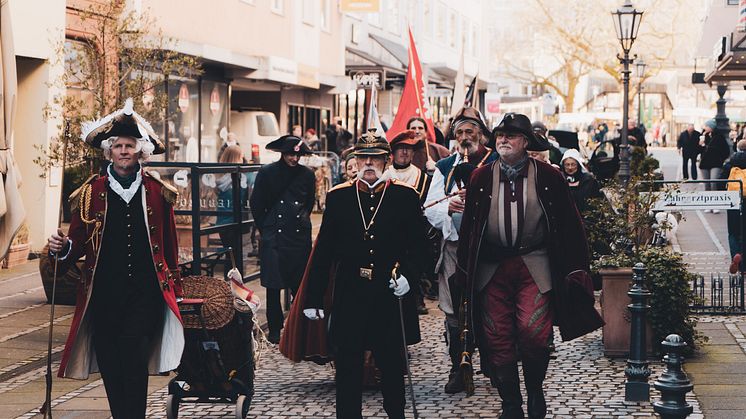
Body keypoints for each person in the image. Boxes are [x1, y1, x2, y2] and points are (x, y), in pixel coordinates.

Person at [455, 112, 604, 418]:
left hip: (534, 266)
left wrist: (578, 269)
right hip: (491, 268)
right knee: (497, 336)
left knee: (534, 333)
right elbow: (469, 229)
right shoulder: (480, 177)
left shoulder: (549, 176)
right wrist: (463, 272)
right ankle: (511, 403)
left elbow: (571, 225)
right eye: (499, 136)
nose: (503, 140)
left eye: (510, 136)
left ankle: (535, 390)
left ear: (525, 142)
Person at [48, 98, 184, 418]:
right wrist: (61, 248)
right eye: (119, 146)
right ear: (109, 151)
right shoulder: (90, 192)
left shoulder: (156, 192)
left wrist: (177, 286)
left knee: (134, 355)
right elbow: (77, 244)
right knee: (110, 359)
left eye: (130, 146)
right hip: (104, 293)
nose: (124, 151)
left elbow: (170, 245)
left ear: (140, 151)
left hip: (145, 292)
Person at [302, 128, 426, 419]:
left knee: (392, 364)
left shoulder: (404, 197)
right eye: (363, 158)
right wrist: (313, 297)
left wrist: (409, 276)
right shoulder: (338, 198)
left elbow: (420, 248)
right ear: (355, 162)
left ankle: (395, 413)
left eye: (375, 158)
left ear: (386, 161)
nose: (369, 164)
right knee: (347, 365)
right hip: (350, 292)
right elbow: (324, 252)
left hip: (388, 292)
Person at [423, 106, 497, 394]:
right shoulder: (445, 168)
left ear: (481, 135)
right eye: (460, 133)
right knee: (454, 312)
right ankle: (458, 367)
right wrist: (448, 206)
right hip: (454, 247)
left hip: (489, 249)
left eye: (471, 132)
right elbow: (430, 207)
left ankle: (493, 361)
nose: (465, 138)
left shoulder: (494, 164)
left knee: (490, 305)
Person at [249, 135, 316, 344]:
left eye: (297, 155)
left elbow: (309, 202)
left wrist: (302, 220)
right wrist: (266, 228)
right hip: (274, 235)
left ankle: (300, 328)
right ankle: (276, 329)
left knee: (299, 285)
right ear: (282, 153)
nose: (294, 159)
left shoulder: (307, 175)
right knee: (273, 285)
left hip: (297, 236)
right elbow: (257, 203)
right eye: (290, 154)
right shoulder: (267, 172)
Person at [385, 130, 433, 315]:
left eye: (409, 149)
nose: (404, 153)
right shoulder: (385, 175)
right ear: (393, 152)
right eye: (401, 148)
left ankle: (417, 296)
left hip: (413, 232)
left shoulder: (422, 178)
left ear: (414, 153)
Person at [216, 145, 248, 251]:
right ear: (235, 159)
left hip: (222, 222)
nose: (243, 161)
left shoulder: (219, 178)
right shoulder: (238, 179)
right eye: (241, 158)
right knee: (235, 256)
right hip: (234, 221)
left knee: (230, 255)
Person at [721, 139, 746, 273]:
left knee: (733, 232)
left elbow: (720, 180)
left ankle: (735, 256)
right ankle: (744, 266)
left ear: (737, 148)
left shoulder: (731, 162)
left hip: (733, 199)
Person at [560, 149, 604, 219]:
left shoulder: (589, 180)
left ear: (578, 165)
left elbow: (596, 201)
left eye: (573, 164)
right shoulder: (560, 180)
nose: (570, 168)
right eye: (567, 165)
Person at [699, 119, 731, 213]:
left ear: (711, 127)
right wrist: (700, 145)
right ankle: (708, 205)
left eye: (707, 126)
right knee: (707, 185)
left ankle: (716, 205)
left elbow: (726, 151)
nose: (705, 127)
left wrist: (720, 159)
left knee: (714, 183)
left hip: (716, 163)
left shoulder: (719, 137)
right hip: (705, 164)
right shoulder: (703, 136)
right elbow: (699, 151)